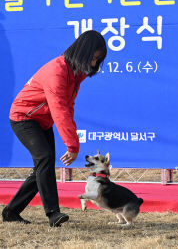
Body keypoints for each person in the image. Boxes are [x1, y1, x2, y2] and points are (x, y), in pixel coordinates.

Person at [2, 30, 107, 227]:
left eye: (98, 60)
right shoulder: (57, 71)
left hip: (42, 121)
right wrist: (72, 145)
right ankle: (53, 214)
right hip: (23, 117)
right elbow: (60, 110)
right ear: (83, 52)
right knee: (45, 159)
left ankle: (11, 211)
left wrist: (72, 142)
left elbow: (68, 107)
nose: (94, 64)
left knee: (43, 166)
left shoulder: (75, 73)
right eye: (93, 58)